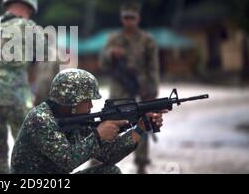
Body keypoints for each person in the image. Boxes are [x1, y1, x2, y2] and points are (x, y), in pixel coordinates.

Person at [11, 68, 166, 174]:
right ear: (72, 101)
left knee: (110, 172)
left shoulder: (75, 120)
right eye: (87, 100)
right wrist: (98, 135)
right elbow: (67, 160)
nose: (91, 105)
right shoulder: (41, 119)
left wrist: (139, 128)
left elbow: (109, 155)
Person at [101, 2, 160, 174]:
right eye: (126, 18)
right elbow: (102, 63)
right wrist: (111, 54)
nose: (129, 21)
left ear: (138, 18)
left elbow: (153, 67)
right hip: (120, 87)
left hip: (141, 86)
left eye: (132, 18)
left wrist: (152, 90)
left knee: (144, 122)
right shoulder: (114, 39)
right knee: (112, 120)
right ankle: (99, 158)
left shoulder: (147, 40)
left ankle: (141, 163)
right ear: (122, 18)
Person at [0, 0, 38, 173]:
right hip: (18, 97)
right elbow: (42, 61)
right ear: (29, 7)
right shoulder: (29, 26)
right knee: (25, 150)